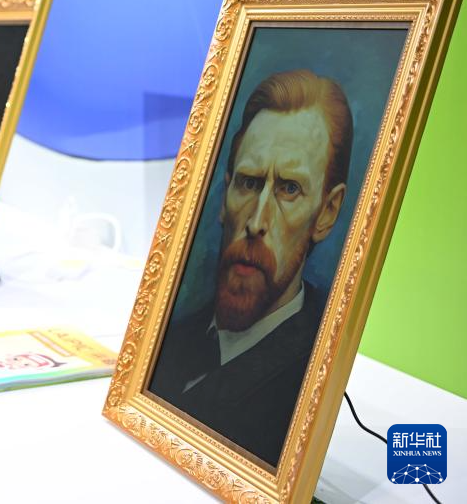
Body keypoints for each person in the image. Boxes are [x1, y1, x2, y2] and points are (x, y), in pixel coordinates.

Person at [149, 69, 353, 467]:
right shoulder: (169, 338)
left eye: (289, 189)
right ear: (226, 193)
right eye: (248, 182)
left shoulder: (306, 376)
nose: (257, 221)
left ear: (327, 212)